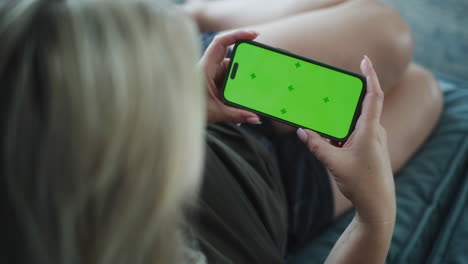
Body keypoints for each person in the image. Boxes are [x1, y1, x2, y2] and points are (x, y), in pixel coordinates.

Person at [0, 1, 442, 264]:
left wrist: (183, 99)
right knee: (421, 85)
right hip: (277, 189)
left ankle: (197, 15)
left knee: (386, 35)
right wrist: (376, 217)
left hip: (210, 95)